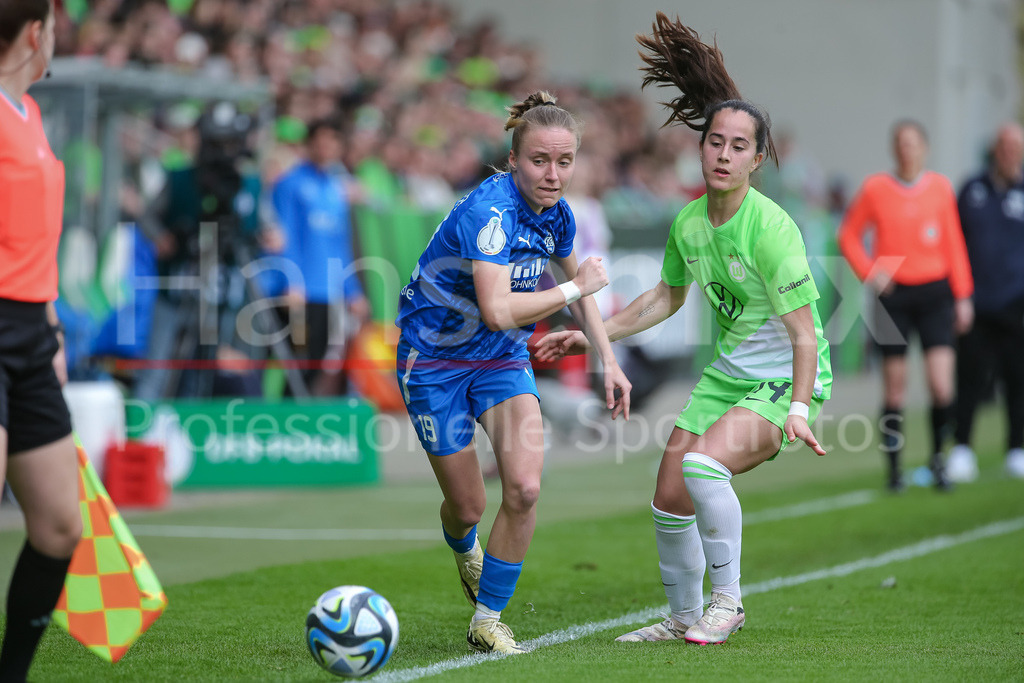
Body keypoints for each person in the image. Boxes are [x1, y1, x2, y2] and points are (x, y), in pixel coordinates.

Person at [538, 13, 832, 646]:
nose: (723, 155)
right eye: (715, 142)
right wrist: (594, 335)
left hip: (782, 379)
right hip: (730, 375)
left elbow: (805, 337)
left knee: (703, 469)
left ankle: (726, 604)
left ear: (757, 159)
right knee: (670, 495)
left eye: (738, 146)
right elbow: (665, 298)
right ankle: (679, 618)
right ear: (700, 148)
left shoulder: (772, 230)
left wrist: (801, 407)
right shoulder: (690, 222)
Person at [394, 91, 631, 655]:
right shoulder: (490, 213)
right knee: (469, 506)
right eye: (540, 161)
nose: (553, 175)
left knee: (524, 488)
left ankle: (487, 618)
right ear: (514, 159)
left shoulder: (559, 216)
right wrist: (577, 287)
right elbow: (502, 306)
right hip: (434, 361)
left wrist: (609, 359)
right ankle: (463, 544)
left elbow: (578, 297)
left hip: (500, 358)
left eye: (565, 162)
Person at [0, 2, 84, 681]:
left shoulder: (27, 113)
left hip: (30, 330)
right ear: (35, 32)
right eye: (54, 24)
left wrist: (49, 320)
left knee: (59, 524)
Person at [838, 120, 973, 491]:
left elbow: (955, 245)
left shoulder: (941, 189)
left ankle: (938, 460)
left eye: (912, 143)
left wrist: (963, 296)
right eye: (900, 142)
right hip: (892, 297)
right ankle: (894, 470)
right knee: (894, 388)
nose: (906, 149)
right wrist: (869, 272)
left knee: (941, 385)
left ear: (924, 148)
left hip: (936, 294)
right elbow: (848, 235)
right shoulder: (875, 188)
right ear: (893, 148)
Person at [265, 118, 370, 395]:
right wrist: (291, 280)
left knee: (315, 364)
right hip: (298, 291)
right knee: (292, 364)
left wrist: (353, 291)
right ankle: (275, 424)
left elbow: (340, 244)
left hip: (327, 291)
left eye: (332, 141)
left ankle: (292, 427)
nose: (326, 147)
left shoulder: (336, 189)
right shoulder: (290, 184)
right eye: (320, 140)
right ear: (309, 144)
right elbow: (282, 238)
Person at [946, 122, 1024, 482]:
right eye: (1005, 146)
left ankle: (1016, 449)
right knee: (970, 379)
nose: (1010, 152)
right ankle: (962, 449)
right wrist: (958, 294)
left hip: (1017, 305)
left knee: (1017, 379)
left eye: (1016, 147)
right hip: (975, 303)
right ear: (996, 149)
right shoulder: (972, 189)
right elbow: (954, 242)